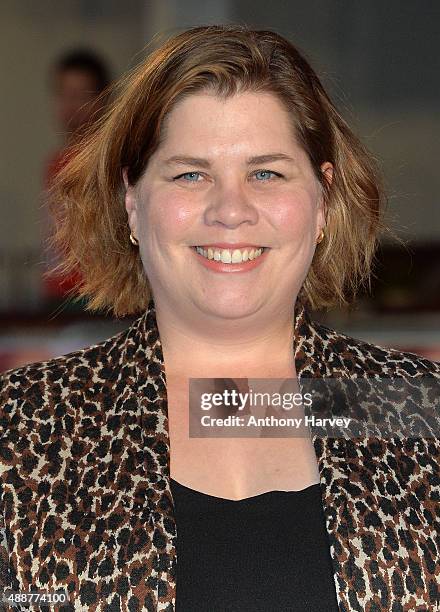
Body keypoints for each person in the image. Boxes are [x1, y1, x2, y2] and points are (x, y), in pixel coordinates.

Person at [1, 25, 439, 612]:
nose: (230, 210)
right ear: (133, 202)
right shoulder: (26, 427)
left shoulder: (409, 411)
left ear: (322, 201)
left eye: (267, 173)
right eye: (190, 174)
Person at [42, 49, 111, 311]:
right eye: (64, 95)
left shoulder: (105, 162)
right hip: (55, 294)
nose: (71, 106)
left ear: (101, 100)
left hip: (93, 298)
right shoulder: (54, 163)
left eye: (80, 96)